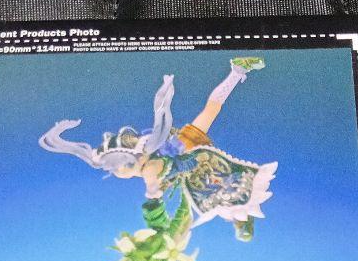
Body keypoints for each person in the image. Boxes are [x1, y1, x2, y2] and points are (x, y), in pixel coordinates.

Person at [39, 57, 277, 243]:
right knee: (211, 109)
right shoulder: (147, 155)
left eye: (116, 170)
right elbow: (86, 154)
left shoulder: (149, 170)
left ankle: (241, 222)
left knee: (223, 198)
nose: (116, 173)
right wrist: (59, 137)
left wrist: (155, 209)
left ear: (128, 164)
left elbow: (154, 193)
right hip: (184, 146)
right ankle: (237, 71)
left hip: (193, 159)